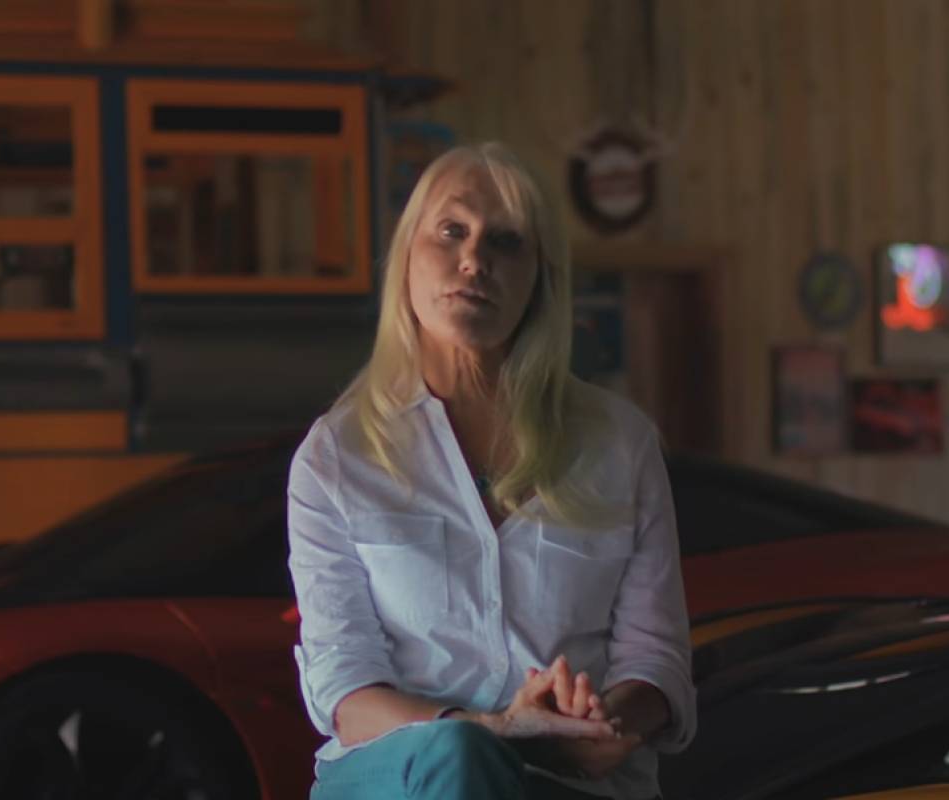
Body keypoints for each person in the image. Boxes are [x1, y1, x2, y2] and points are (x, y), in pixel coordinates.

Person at [288, 141, 695, 800]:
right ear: (408, 258)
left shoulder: (620, 444)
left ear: (541, 277)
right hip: (401, 773)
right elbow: (344, 690)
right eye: (452, 231)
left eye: (506, 243)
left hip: (573, 781)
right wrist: (493, 728)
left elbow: (657, 658)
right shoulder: (337, 456)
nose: (474, 260)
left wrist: (601, 726)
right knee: (460, 755)